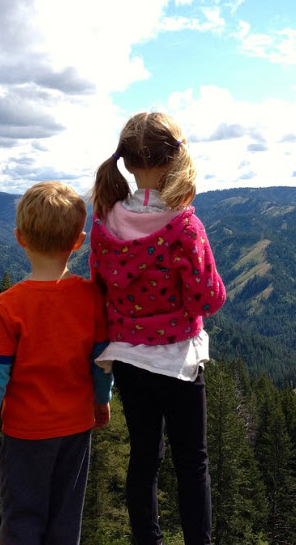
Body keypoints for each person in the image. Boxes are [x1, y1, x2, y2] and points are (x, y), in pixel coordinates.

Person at [90, 112, 226, 545]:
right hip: (178, 361)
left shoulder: (105, 222)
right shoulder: (184, 224)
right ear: (172, 161)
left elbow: (98, 287)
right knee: (193, 463)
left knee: (144, 459)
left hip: (128, 359)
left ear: (127, 164)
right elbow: (208, 298)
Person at [0, 181, 113, 544]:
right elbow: (102, 360)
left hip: (26, 432)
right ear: (78, 241)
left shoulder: (8, 307)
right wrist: (102, 400)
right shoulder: (91, 298)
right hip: (76, 427)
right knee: (65, 519)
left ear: (19, 237)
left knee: (23, 519)